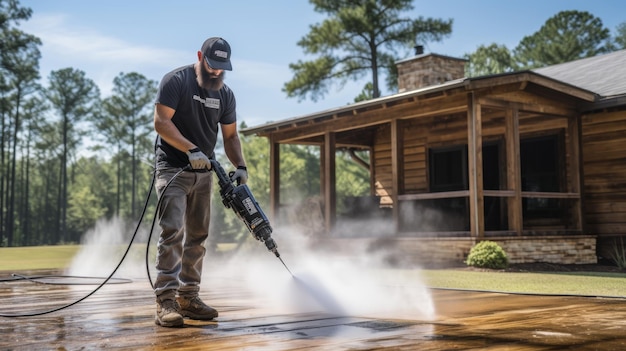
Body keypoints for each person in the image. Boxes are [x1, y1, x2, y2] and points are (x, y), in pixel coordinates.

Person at [152, 37, 248, 327]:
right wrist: (190, 149)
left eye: (222, 68)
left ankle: (188, 297)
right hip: (173, 169)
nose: (217, 72)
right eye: (212, 65)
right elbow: (161, 122)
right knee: (173, 230)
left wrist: (240, 166)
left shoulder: (225, 95)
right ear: (200, 57)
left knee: (198, 235)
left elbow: (230, 136)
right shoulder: (176, 81)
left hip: (203, 173)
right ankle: (165, 301)